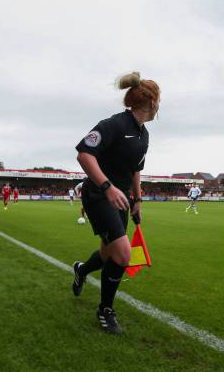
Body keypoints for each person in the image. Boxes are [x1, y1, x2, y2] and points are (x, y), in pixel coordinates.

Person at [71, 72, 159, 335]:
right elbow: (84, 155)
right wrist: (107, 187)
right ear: (151, 103)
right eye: (159, 102)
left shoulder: (144, 135)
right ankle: (105, 310)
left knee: (109, 253)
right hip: (99, 196)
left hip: (121, 199)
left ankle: (82, 270)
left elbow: (136, 170)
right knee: (123, 254)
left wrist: (138, 199)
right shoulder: (114, 125)